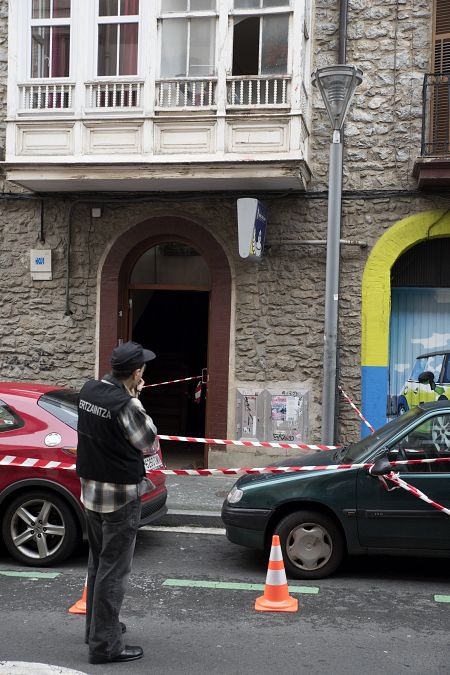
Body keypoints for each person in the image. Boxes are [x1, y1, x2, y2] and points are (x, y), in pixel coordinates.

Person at [76, 341, 158, 665]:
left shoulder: (89, 391)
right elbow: (148, 441)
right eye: (142, 370)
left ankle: (96, 630)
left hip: (91, 494)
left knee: (98, 565)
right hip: (121, 499)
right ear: (136, 373)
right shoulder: (128, 405)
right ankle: (106, 647)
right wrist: (136, 398)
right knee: (114, 573)